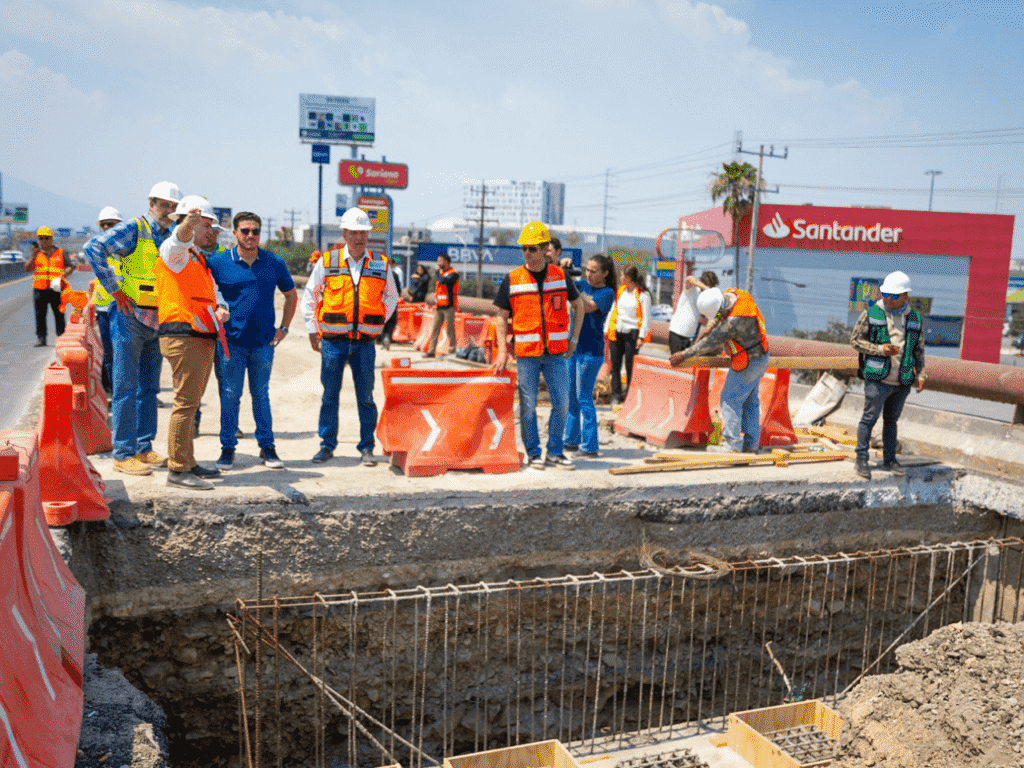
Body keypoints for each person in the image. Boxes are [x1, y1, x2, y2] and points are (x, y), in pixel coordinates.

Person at [84, 181, 182, 476]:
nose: (168, 211)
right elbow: (93, 247)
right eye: (164, 205)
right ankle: (123, 453)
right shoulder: (134, 229)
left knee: (149, 388)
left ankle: (143, 446)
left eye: (173, 207)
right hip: (129, 317)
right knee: (126, 386)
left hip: (157, 320)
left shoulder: (170, 236)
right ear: (151, 204)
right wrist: (114, 290)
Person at [301, 207, 399, 466]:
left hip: (365, 344)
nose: (359, 238)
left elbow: (392, 297)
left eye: (363, 233)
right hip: (334, 342)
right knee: (329, 396)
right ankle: (326, 445)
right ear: (344, 233)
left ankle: (367, 447)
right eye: (354, 232)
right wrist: (313, 330)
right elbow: (310, 295)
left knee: (366, 398)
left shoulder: (380, 263)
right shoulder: (328, 261)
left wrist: (378, 318)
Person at [205, 212, 297, 471]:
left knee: (261, 395)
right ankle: (227, 448)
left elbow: (291, 296)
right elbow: (205, 294)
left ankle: (267, 447)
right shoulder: (218, 263)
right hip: (231, 344)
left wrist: (284, 329)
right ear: (234, 233)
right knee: (230, 396)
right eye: (245, 231)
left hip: (263, 344)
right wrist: (216, 311)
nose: (250, 236)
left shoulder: (274, 262)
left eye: (255, 231)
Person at [491, 221, 584, 470]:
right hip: (527, 354)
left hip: (556, 353)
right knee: (528, 406)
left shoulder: (560, 276)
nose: (527, 254)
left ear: (546, 249)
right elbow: (500, 316)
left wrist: (573, 339)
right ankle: (533, 453)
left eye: (532, 249)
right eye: (524, 249)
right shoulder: (513, 279)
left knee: (562, 403)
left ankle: (554, 452)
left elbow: (579, 305)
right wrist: (502, 350)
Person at [155, 196, 229, 490]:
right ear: (191, 223)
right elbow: (177, 241)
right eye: (206, 225)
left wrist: (221, 310)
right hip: (183, 336)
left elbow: (211, 295)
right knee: (185, 404)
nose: (211, 232)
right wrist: (188, 223)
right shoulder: (176, 252)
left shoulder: (198, 258)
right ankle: (177, 469)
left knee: (191, 402)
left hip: (199, 336)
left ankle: (188, 461)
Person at [670, 286, 771, 453]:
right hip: (761, 357)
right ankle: (751, 444)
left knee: (729, 399)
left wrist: (685, 354)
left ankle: (732, 445)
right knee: (750, 401)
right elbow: (719, 312)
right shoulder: (734, 295)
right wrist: (710, 326)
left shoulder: (734, 321)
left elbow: (711, 342)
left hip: (749, 361)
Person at [850, 270, 926, 479]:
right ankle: (862, 459)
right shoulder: (871, 313)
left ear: (905, 296)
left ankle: (890, 460)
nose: (888, 299)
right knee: (868, 419)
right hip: (877, 378)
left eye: (893, 296)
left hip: (902, 381)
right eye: (885, 294)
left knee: (891, 421)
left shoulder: (915, 318)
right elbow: (855, 341)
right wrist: (879, 350)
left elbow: (919, 350)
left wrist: (921, 374)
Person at [563, 254, 616, 458]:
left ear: (604, 273)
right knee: (572, 398)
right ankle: (571, 439)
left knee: (584, 397)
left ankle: (590, 445)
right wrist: (564, 268)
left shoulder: (607, 293)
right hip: (574, 348)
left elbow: (585, 306)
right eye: (587, 270)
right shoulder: (582, 285)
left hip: (591, 352)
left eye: (594, 271)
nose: (589, 274)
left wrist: (572, 285)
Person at [88, 207, 124, 392]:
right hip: (103, 309)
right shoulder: (97, 248)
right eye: (104, 224)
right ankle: (111, 390)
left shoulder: (128, 248)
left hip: (124, 307)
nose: (108, 227)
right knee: (109, 353)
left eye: (112, 224)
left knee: (127, 354)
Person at [605, 265, 652, 404]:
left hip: (632, 334)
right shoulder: (621, 291)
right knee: (615, 366)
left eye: (622, 275)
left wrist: (641, 337)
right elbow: (613, 310)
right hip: (617, 331)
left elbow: (646, 318)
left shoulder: (643, 295)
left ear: (628, 278)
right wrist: (606, 328)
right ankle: (616, 394)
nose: (620, 278)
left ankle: (629, 396)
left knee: (631, 367)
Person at [25, 226, 74, 346]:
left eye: (46, 238)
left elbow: (71, 266)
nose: (44, 241)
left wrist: (64, 274)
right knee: (40, 315)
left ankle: (61, 336)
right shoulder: (36, 254)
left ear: (51, 239)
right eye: (41, 238)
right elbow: (27, 269)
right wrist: (33, 255)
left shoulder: (61, 252)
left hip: (56, 289)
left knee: (59, 314)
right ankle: (41, 338)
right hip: (39, 289)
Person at [668, 271, 719, 354]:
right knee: (677, 364)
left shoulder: (706, 298)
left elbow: (718, 313)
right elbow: (689, 278)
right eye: (710, 286)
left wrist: (707, 320)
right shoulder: (692, 288)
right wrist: (699, 284)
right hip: (677, 333)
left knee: (686, 365)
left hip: (691, 336)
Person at [423, 252, 459, 358]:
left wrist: (437, 272)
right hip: (439, 306)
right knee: (435, 329)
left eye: (440, 261)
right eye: (438, 261)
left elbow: (443, 281)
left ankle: (452, 351)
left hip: (449, 306)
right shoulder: (441, 273)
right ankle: (431, 351)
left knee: (449, 330)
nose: (438, 263)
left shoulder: (453, 273)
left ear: (446, 262)